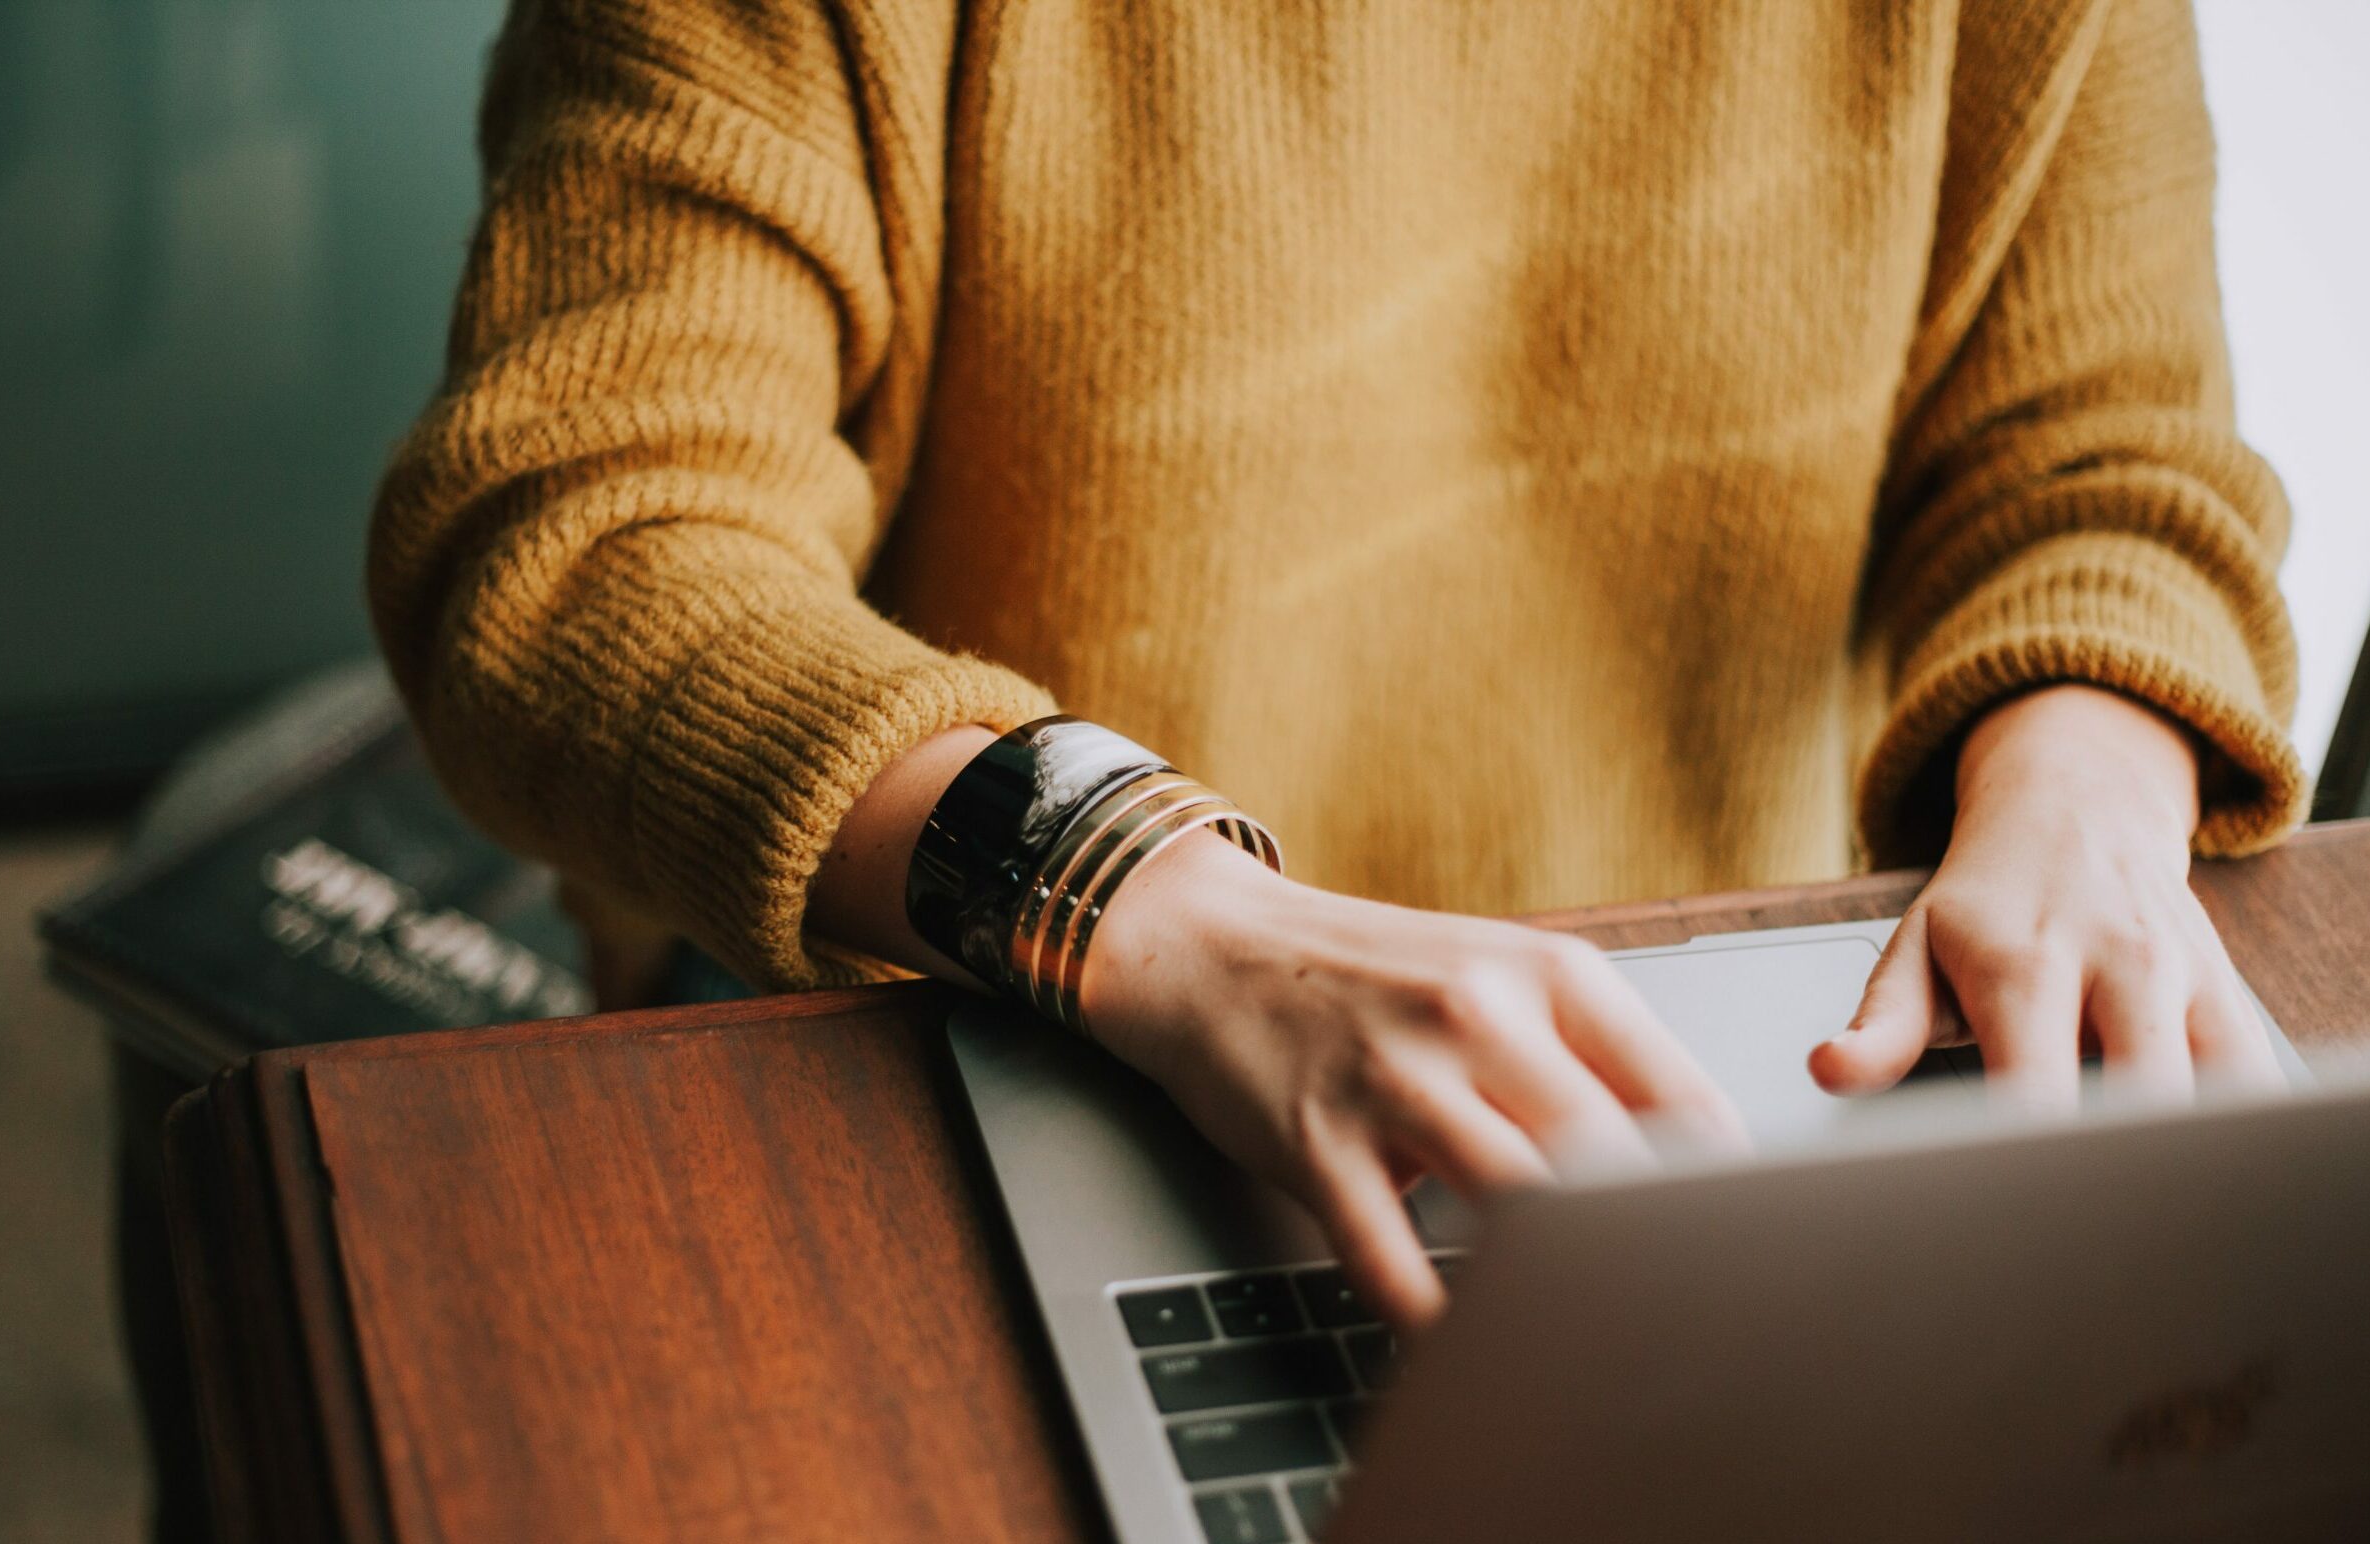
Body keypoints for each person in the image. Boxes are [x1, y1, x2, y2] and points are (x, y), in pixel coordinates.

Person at [369, 0, 2303, 1333]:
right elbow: (576, 536)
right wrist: (1138, 899)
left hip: (1701, 1081)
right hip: (975, 1018)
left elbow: (2104, 462)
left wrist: (2090, 779)